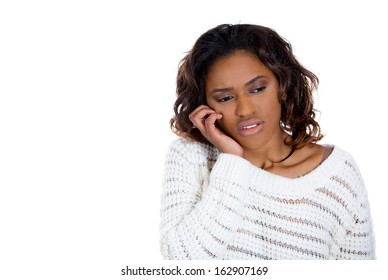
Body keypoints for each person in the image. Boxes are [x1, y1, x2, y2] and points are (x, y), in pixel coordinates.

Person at [159, 24, 375, 260]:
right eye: (226, 98)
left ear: (282, 86)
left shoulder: (336, 175)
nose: (245, 109)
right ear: (206, 104)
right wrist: (231, 160)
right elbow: (181, 261)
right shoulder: (191, 157)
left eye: (258, 89)